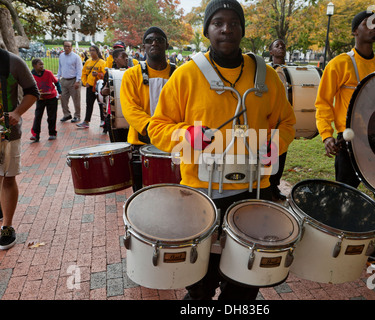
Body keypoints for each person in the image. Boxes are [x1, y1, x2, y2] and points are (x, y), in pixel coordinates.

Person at [148, 0, 296, 300]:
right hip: (200, 194)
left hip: (253, 193)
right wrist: (185, 135)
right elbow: (157, 127)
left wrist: (274, 142)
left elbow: (287, 122)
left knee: (245, 281)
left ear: (242, 28)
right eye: (218, 23)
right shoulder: (186, 75)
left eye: (234, 22)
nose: (226, 29)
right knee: (199, 281)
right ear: (207, 30)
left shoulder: (266, 76)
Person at [315, 10, 375, 277]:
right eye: (368, 23)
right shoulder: (339, 64)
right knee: (345, 198)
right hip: (349, 145)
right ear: (355, 31)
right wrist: (327, 135)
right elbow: (323, 103)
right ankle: (337, 249)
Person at [120, 26, 176, 192]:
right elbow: (130, 109)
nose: (154, 43)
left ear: (167, 45)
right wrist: (154, 130)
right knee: (142, 194)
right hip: (140, 144)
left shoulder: (179, 74)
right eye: (149, 40)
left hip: (175, 143)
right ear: (143, 46)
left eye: (159, 40)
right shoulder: (131, 75)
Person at [0, 48, 39, 250]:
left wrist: (17, 112)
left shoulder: (12, 62)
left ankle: (7, 226)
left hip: (6, 132)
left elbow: (33, 91)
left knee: (7, 177)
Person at [267, 38, 291, 201]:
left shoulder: (290, 71)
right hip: (268, 117)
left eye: (282, 46)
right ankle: (265, 184)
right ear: (271, 52)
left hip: (283, 117)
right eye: (277, 46)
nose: (281, 47)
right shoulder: (265, 70)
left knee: (281, 152)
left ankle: (274, 185)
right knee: (267, 151)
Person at [101, 49, 132, 140]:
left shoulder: (133, 71)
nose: (126, 59)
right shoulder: (110, 73)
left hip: (130, 111)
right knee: (117, 143)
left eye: (127, 56)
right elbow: (103, 91)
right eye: (123, 57)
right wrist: (104, 91)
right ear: (115, 59)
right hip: (114, 112)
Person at [30, 58, 62, 142]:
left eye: (42, 64)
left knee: (51, 116)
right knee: (38, 116)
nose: (42, 66)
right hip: (40, 98)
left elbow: (57, 82)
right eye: (40, 64)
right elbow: (30, 87)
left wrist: (60, 92)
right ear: (34, 66)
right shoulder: (31, 75)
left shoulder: (48, 73)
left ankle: (52, 133)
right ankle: (35, 135)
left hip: (52, 97)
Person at [77, 45, 106, 129]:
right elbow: (84, 73)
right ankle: (86, 121)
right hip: (89, 86)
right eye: (90, 50)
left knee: (101, 104)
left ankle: (103, 120)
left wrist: (98, 74)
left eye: (93, 50)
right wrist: (85, 82)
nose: (91, 52)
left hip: (99, 87)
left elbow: (105, 75)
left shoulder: (102, 62)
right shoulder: (88, 61)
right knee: (89, 104)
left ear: (97, 51)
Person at [57, 41, 82, 123]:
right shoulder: (61, 56)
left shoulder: (76, 57)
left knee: (76, 99)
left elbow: (79, 70)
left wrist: (78, 81)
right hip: (64, 80)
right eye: (65, 46)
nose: (67, 48)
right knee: (63, 99)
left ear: (71, 47)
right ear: (63, 47)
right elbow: (60, 67)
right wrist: (58, 77)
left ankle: (77, 116)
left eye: (68, 46)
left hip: (74, 80)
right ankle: (67, 114)